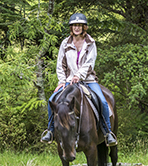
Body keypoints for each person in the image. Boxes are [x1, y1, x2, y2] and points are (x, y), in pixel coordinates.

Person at [40, 13, 117, 146]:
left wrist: (79, 76)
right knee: (51, 100)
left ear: (84, 27)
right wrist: (62, 81)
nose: (76, 28)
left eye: (79, 25)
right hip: (69, 81)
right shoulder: (65, 43)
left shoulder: (91, 43)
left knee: (103, 102)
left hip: (88, 80)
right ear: (71, 27)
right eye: (74, 25)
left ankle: (108, 132)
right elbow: (60, 64)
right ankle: (50, 131)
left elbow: (90, 63)